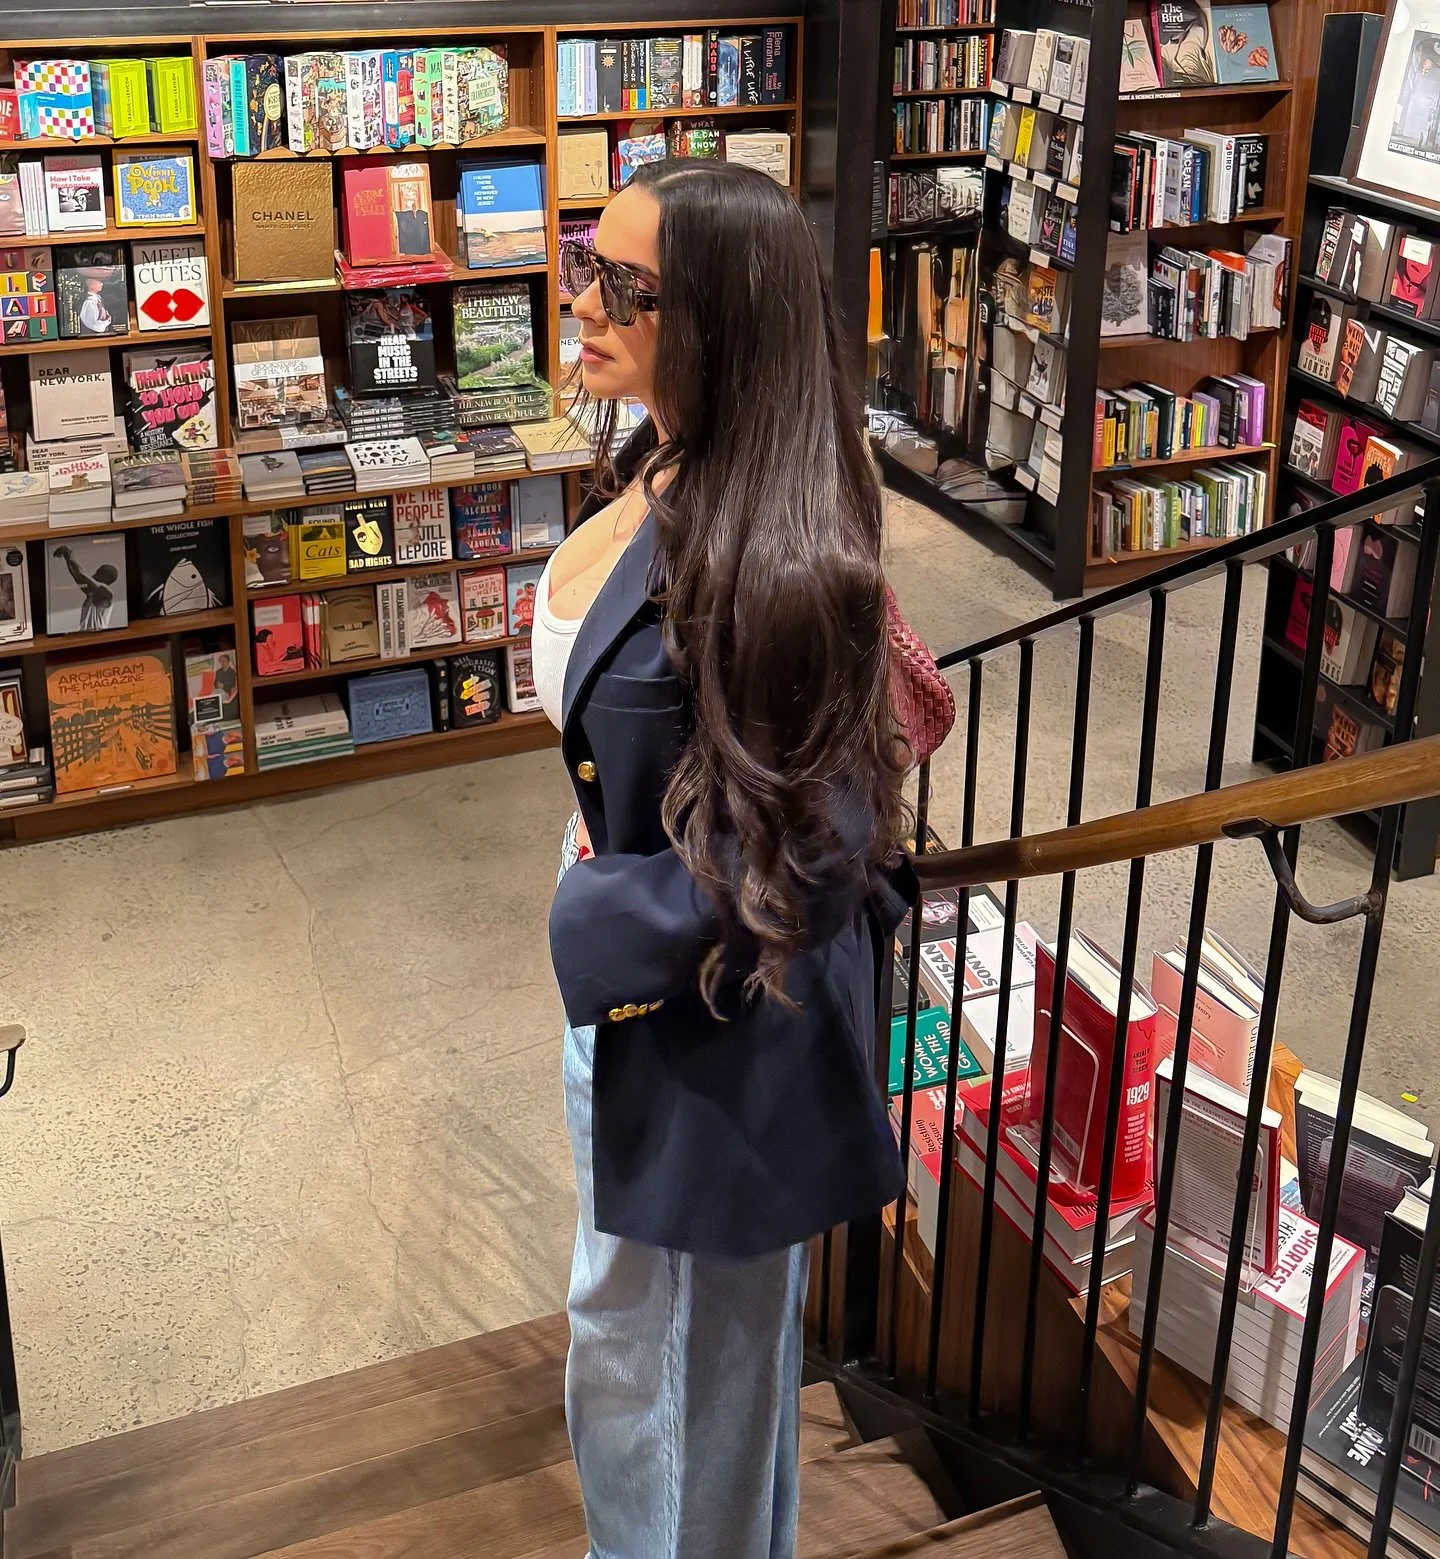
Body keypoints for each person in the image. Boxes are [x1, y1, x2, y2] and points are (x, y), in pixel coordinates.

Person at [537, 158, 911, 1559]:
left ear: (724, 319)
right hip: (651, 1001)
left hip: (714, 1017)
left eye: (627, 287)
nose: (585, 300)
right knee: (633, 1345)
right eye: (590, 261)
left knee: (688, 1371)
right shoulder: (664, 456)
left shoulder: (785, 552)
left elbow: (818, 846)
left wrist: (595, 917)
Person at [53, 545, 117, 631]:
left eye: (98, 572)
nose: (94, 574)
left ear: (105, 578)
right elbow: (78, 576)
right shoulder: (93, 593)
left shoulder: (107, 593)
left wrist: (69, 555)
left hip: (96, 637)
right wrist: (68, 559)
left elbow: (80, 575)